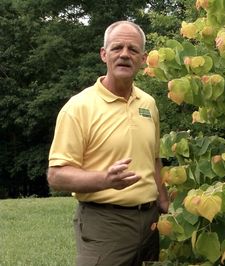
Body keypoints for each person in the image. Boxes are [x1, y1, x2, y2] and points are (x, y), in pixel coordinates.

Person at [47, 20, 169, 266]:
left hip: (151, 222)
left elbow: (154, 159)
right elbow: (56, 176)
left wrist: (165, 202)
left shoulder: (148, 104)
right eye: (117, 48)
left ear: (143, 58)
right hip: (105, 222)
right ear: (104, 54)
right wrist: (105, 179)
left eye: (133, 50)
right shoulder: (78, 107)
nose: (125, 54)